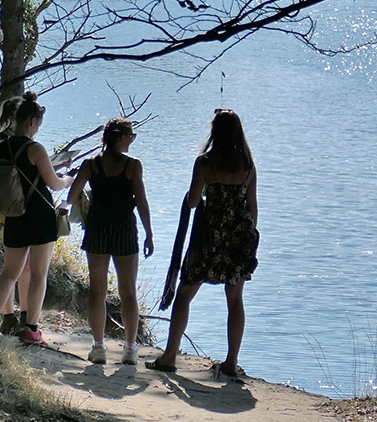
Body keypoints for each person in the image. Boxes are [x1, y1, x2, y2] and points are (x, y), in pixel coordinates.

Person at [146, 109, 259, 378]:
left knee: (185, 294)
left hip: (209, 235)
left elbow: (194, 201)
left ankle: (170, 355)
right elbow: (252, 208)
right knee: (235, 299)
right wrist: (247, 236)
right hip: (239, 236)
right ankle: (231, 362)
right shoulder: (248, 164)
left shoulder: (205, 163)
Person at [0, 91, 72, 345]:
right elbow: (55, 184)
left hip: (14, 213)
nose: (38, 128)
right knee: (38, 274)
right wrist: (70, 178)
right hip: (39, 214)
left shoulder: (2, 146)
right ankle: (31, 329)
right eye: (38, 124)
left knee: (8, 273)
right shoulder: (35, 148)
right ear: (31, 122)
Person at [66, 118, 154, 366]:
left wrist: (88, 198)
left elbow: (73, 197)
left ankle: (99, 346)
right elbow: (142, 202)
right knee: (128, 291)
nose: (132, 140)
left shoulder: (90, 165)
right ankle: (129, 348)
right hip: (125, 228)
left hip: (97, 229)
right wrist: (149, 234)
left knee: (98, 289)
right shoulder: (133, 166)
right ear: (121, 138)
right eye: (131, 136)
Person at [0, 96, 31, 336]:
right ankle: (7, 315)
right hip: (7, 209)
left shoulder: (27, 141)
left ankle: (24, 314)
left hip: (24, 209)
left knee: (26, 267)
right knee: (11, 267)